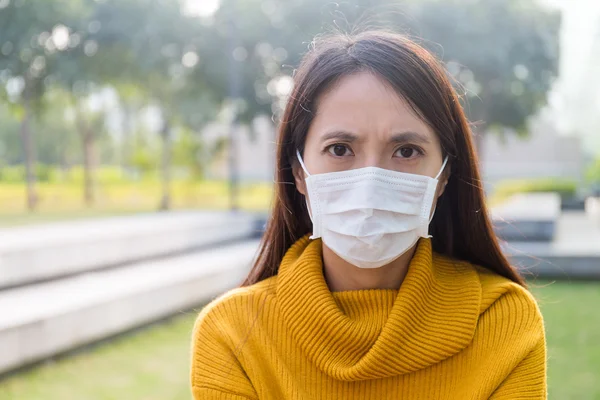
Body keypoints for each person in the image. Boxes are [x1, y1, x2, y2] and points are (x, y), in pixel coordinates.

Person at [190, 30, 546, 399]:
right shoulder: (233, 333)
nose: (371, 180)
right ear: (298, 171)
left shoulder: (503, 321)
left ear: (444, 176)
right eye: (340, 148)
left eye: (406, 151)